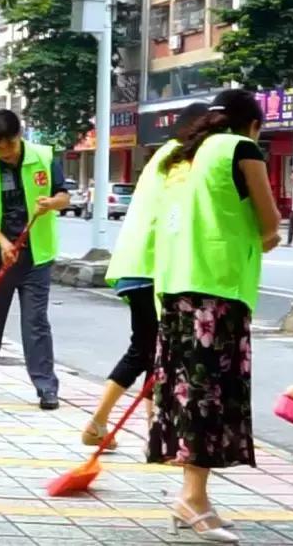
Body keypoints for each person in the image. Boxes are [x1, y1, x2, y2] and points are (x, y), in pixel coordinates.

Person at [150, 89, 281, 543]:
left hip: (173, 289)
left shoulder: (183, 155)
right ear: (253, 125)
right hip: (217, 293)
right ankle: (191, 500)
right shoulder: (241, 149)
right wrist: (264, 236)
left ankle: (193, 498)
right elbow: (270, 223)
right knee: (208, 399)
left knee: (187, 397)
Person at [85, 102, 210, 449]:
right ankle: (102, 422)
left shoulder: (163, 156)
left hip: (135, 264)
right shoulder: (182, 162)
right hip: (153, 268)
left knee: (153, 352)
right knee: (147, 352)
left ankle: (151, 429)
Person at [0, 109, 69, 410]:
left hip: (35, 256)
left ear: (18, 136)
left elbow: (64, 197)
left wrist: (50, 203)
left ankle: (46, 386)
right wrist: (3, 243)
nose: (4, 153)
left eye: (8, 145)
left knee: (35, 321)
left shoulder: (44, 158)